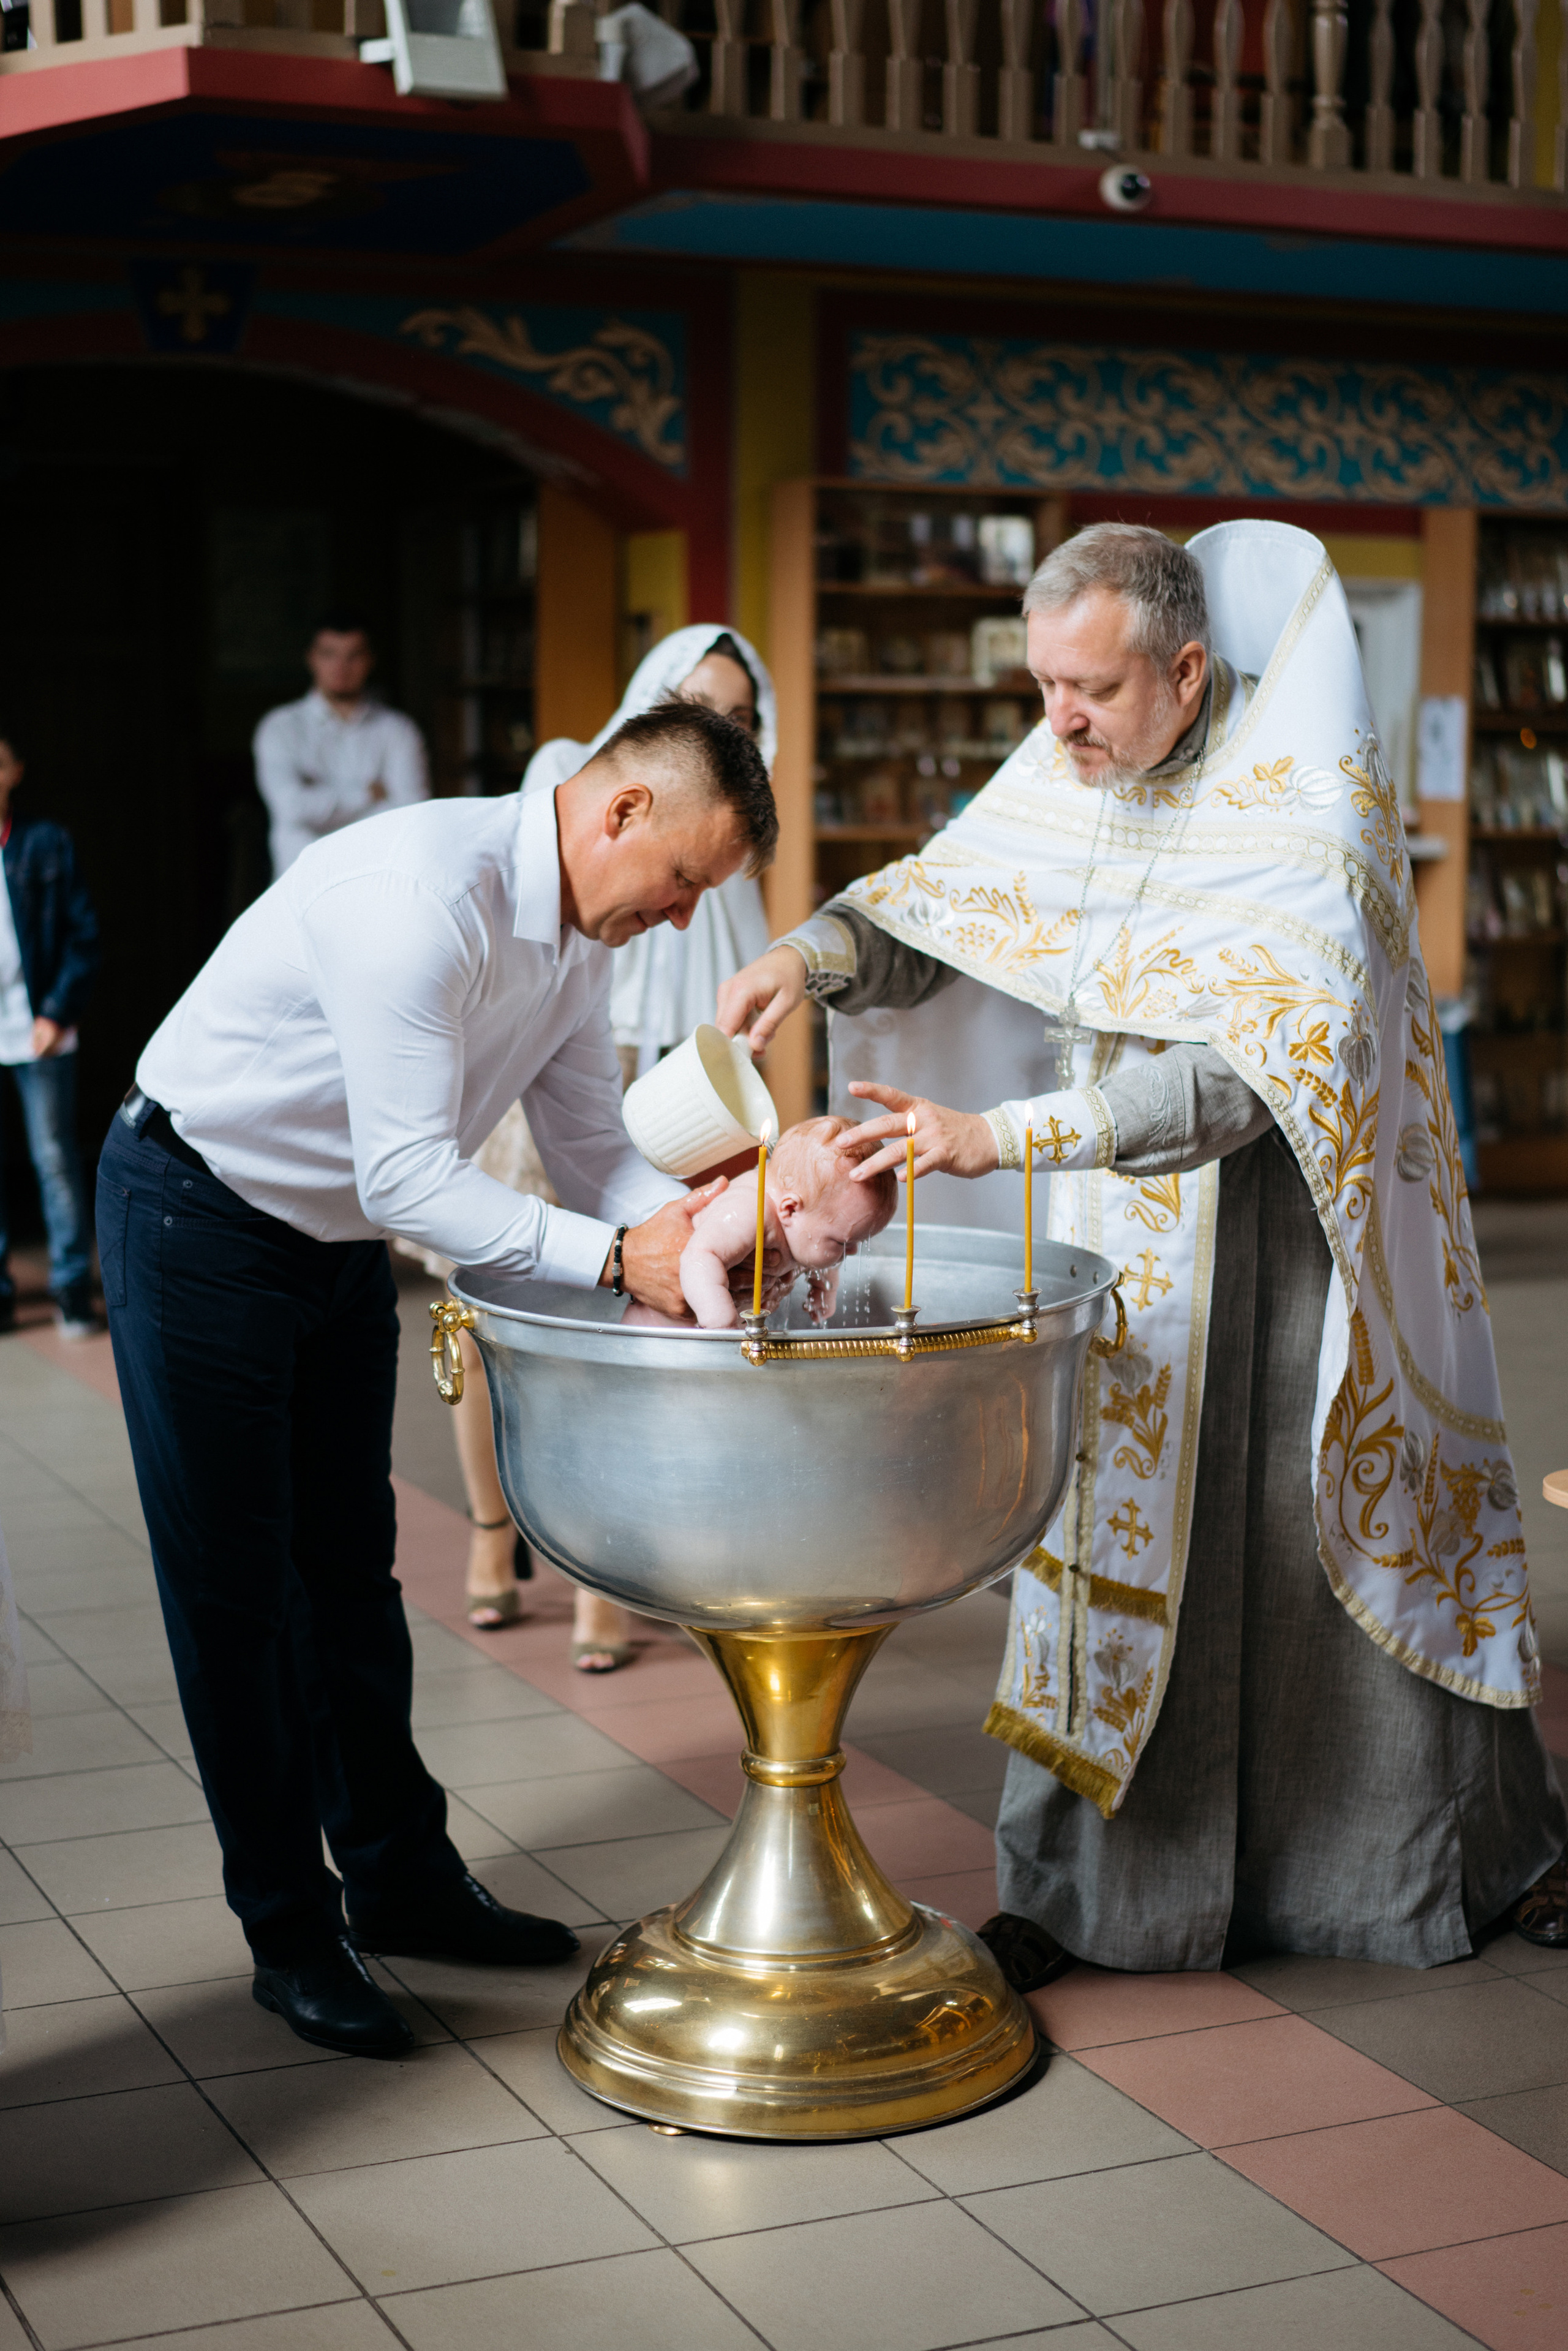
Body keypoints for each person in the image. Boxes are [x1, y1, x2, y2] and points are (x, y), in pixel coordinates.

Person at [719, 520, 1568, 1982]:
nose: (1056, 720)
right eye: (1041, 686)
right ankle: (1091, 1897)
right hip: (1115, 1219)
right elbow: (947, 898)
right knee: (1103, 1537)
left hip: (1300, 1245)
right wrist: (808, 957)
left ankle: (1398, 1873)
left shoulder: (1307, 800)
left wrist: (1002, 1139)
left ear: (1183, 670)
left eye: (1091, 690)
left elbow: (1249, 1082)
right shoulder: (1076, 761)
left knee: (1312, 1547)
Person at [97, 700, 776, 2061]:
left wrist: (710, 1237)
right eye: (685, 882)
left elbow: (591, 1150)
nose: (684, 914)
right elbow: (409, 1174)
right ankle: (291, 1930)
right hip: (201, 1212)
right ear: (620, 811)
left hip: (333, 1241)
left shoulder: (581, 941)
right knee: (239, 1590)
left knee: (349, 1570)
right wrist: (615, 1260)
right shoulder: (424, 895)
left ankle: (401, 1878)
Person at [454, 627, 774, 1663]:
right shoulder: (566, 784)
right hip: (542, 1086)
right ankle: (492, 1535)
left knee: (629, 1322)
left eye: (741, 720)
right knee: (490, 1309)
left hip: (648, 1105)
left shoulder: (723, 858)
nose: (724, 733)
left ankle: (602, 1558)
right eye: (702, 709)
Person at [0, 728, 101, 1337]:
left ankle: (71, 1289)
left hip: (40, 1031)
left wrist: (56, 1012)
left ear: (14, 773)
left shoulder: (45, 843)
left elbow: (82, 937)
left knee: (55, 1160)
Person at [675, 1115, 896, 1329]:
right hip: (671, 1326)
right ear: (790, 1210)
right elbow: (700, 1256)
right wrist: (720, 1321)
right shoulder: (748, 1211)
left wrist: (824, 1291)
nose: (853, 1251)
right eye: (843, 1243)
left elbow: (827, 1260)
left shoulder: (809, 1222)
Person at [254, 615, 428, 878]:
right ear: (312, 658)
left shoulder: (398, 730)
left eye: (353, 656)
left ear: (370, 660)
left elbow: (412, 814)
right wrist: (369, 793)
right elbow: (291, 807)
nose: (341, 667)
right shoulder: (280, 728)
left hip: (377, 878)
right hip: (301, 880)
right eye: (329, 654)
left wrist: (319, 798)